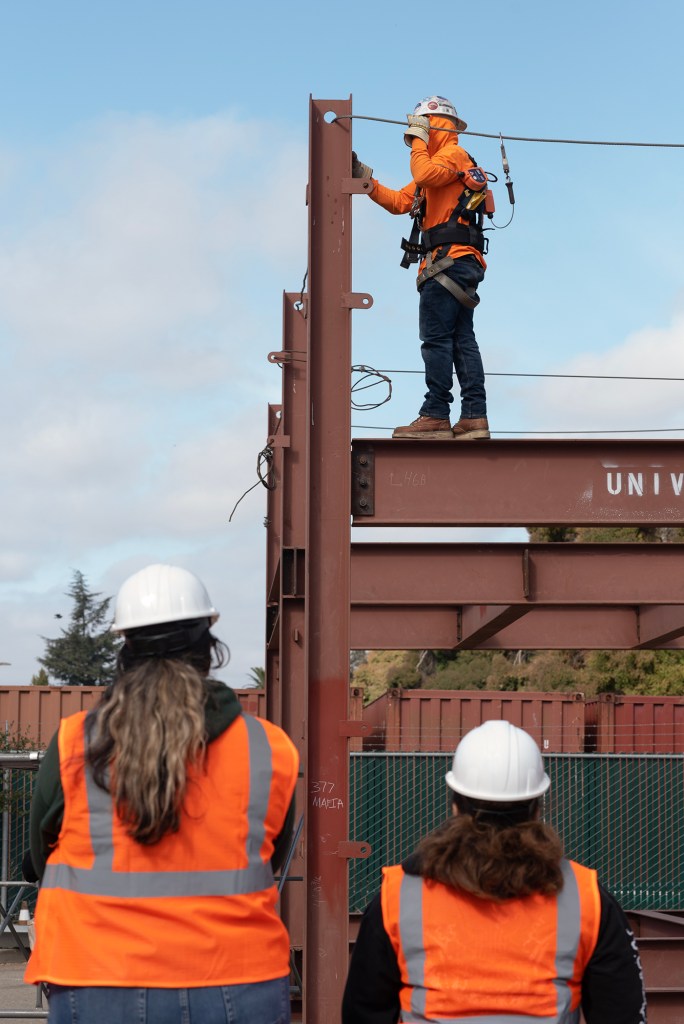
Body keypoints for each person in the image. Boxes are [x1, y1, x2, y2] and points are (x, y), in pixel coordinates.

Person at [24, 563, 299, 1024]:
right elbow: (270, 856)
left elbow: (40, 851)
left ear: (125, 647)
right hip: (237, 978)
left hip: (96, 976)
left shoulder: (75, 741)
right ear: (208, 648)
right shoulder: (268, 747)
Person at [342, 719, 646, 1024]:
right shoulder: (586, 899)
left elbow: (362, 1012)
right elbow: (623, 1013)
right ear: (537, 808)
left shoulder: (398, 895)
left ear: (455, 805)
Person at [353, 95, 490, 440]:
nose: (419, 137)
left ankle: (436, 414)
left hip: (448, 261)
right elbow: (401, 202)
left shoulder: (450, 157)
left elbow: (422, 170)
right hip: (457, 261)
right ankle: (474, 417)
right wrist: (363, 178)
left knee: (437, 340)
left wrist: (417, 138)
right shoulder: (445, 166)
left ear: (435, 126)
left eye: (424, 128)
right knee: (461, 339)